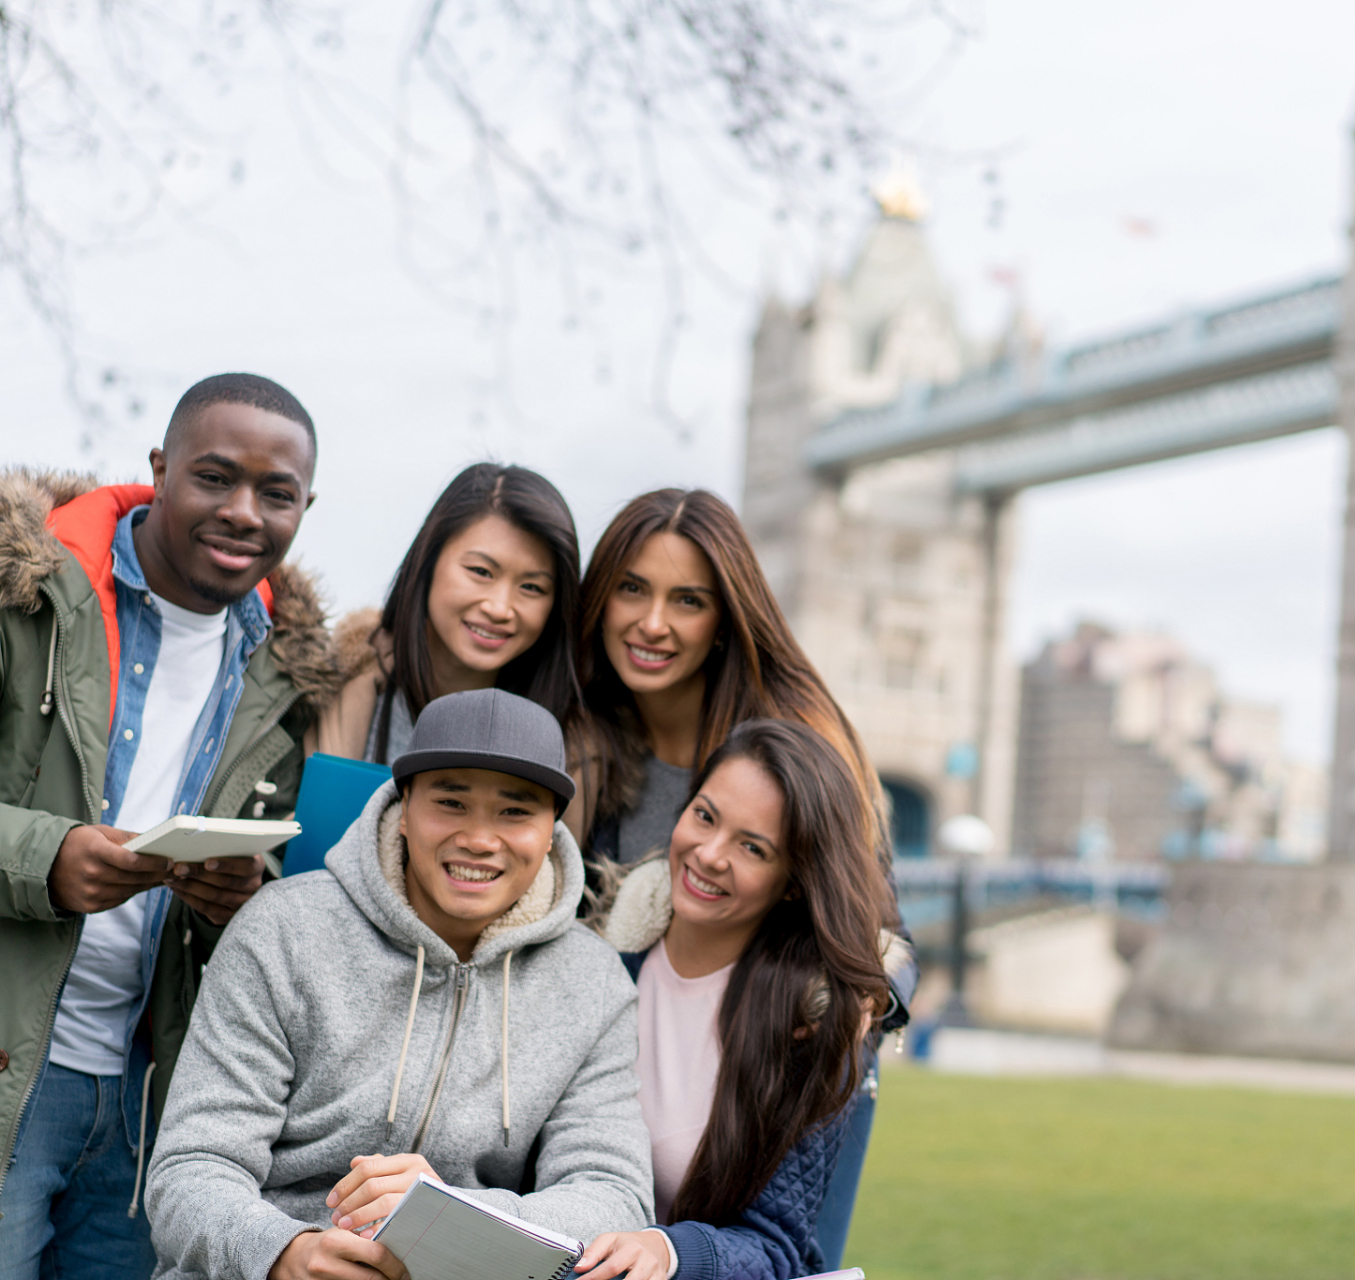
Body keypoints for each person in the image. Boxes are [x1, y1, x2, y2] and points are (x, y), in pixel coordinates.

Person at [0, 373, 336, 1279]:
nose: (245, 511)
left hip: (150, 1111)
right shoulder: (4, 598)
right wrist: (43, 859)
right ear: (160, 470)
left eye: (276, 493)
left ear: (305, 505)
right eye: (215, 477)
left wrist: (230, 899)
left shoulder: (283, 676)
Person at [145, 689, 653, 1280]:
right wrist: (284, 1253)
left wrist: (453, 1219)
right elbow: (191, 1166)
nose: (480, 839)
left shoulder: (591, 982)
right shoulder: (282, 929)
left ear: (551, 832)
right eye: (451, 802)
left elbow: (614, 1195)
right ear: (403, 807)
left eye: (516, 811)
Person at [567, 487, 911, 1263]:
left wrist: (845, 1005)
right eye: (631, 588)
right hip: (649, 1017)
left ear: (724, 616)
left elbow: (879, 922)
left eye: (686, 600)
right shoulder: (588, 728)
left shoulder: (793, 739)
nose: (652, 623)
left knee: (770, 1248)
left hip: (772, 1035)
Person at [579, 719, 902, 1280]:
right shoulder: (595, 965)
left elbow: (776, 1244)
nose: (709, 854)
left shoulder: (811, 1023)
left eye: (752, 847)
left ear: (794, 881)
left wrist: (668, 1251)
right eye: (704, 816)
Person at [313, 462, 582, 764]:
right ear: (428, 561)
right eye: (480, 571)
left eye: (532, 587)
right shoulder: (320, 685)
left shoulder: (576, 743)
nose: (499, 608)